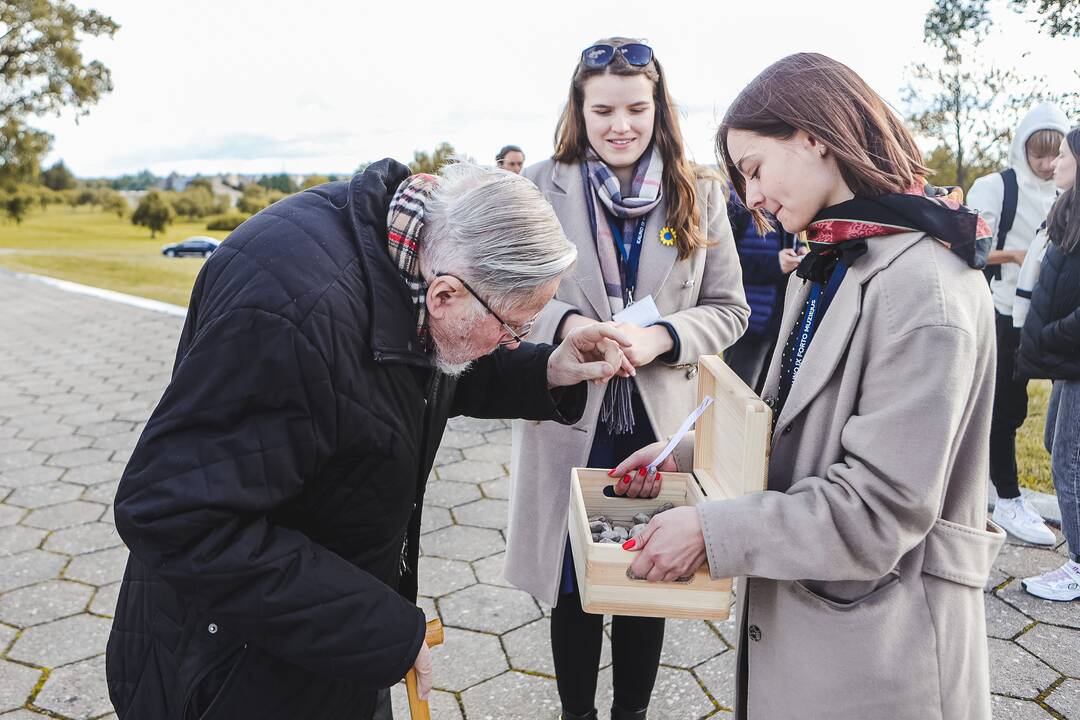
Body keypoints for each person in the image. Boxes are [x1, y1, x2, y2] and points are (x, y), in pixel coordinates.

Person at [105, 159, 636, 720]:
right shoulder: (291, 318)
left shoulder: (411, 254)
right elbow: (172, 516)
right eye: (513, 327)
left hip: (323, 641)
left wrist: (545, 368)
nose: (512, 343)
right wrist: (381, 628)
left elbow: (409, 375)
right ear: (446, 295)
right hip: (231, 668)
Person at [615, 53, 1004, 719]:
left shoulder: (925, 290)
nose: (752, 198)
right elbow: (784, 428)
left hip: (884, 658)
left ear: (812, 135)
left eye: (755, 169)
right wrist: (683, 459)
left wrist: (711, 532)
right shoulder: (829, 260)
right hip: (815, 640)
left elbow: (878, 509)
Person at [505, 38, 749, 720]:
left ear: (658, 109)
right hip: (568, 421)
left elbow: (730, 310)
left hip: (657, 427)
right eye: (603, 109)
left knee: (649, 575)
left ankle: (631, 715)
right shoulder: (539, 186)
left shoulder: (698, 190)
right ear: (578, 111)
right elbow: (511, 296)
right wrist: (566, 326)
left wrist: (663, 336)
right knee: (572, 583)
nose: (621, 125)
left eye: (636, 109)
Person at [967, 102, 1068, 545]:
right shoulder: (996, 188)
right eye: (1037, 153)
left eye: (1055, 154)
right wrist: (1015, 257)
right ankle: (1005, 498)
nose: (1046, 164)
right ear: (1020, 148)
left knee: (1049, 416)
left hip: (1047, 316)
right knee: (1002, 407)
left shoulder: (1066, 191)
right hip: (998, 309)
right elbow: (964, 249)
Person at [1016, 127, 1080, 601]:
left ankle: (1078, 565)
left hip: (1073, 353)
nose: (1054, 163)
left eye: (1064, 155)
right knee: (1054, 441)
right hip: (1068, 359)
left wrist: (1054, 335)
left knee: (1068, 460)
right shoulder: (1067, 210)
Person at [723, 189, 803, 393]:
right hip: (748, 323)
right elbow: (724, 265)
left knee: (765, 398)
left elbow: (788, 241)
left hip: (779, 323)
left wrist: (800, 251)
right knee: (738, 395)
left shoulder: (787, 200)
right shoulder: (736, 204)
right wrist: (775, 264)